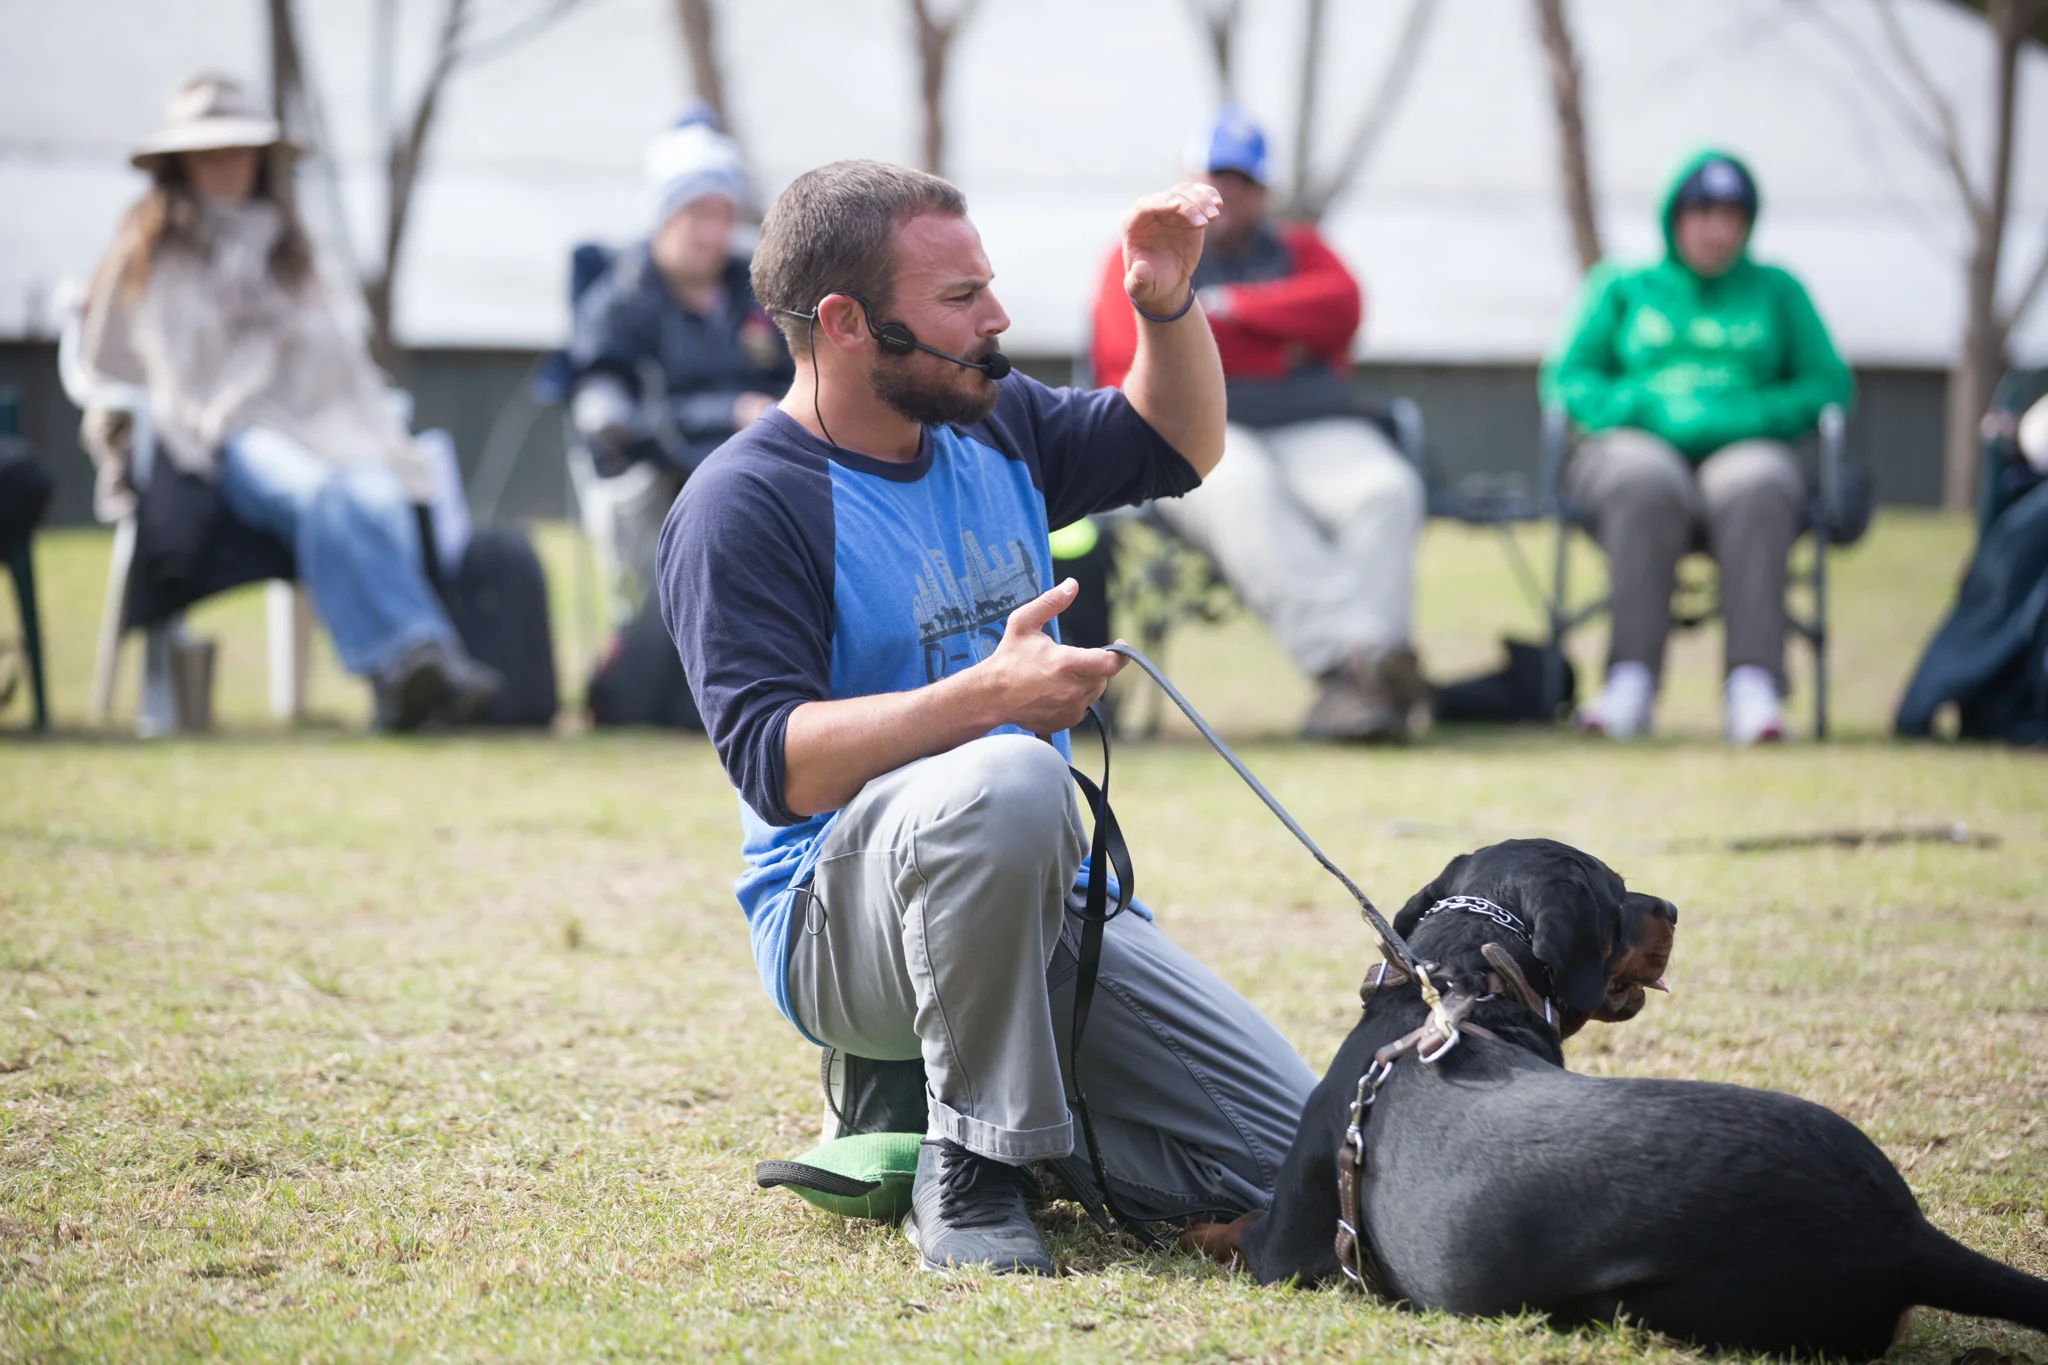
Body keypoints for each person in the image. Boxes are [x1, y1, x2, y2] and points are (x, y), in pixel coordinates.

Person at [657, 160, 1317, 1274]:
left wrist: (1163, 301)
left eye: (986, 287)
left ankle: (939, 1094)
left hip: (1045, 899)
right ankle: (967, 1162)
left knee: (1304, 1162)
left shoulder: (992, 420)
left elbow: (1178, 443)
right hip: (839, 922)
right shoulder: (742, 504)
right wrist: (986, 702)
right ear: (846, 323)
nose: (997, 317)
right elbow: (780, 768)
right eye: (960, 299)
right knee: (1010, 773)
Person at [78, 75, 498, 731]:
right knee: (323, 494)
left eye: (240, 150)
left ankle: (405, 676)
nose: (227, 166)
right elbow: (112, 362)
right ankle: (416, 657)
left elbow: (337, 359)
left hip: (331, 425)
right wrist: (141, 423)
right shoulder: (150, 252)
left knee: (379, 496)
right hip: (231, 432)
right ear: (180, 162)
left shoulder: (298, 252)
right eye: (211, 152)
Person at [1090, 106, 1428, 742]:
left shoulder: (1300, 248)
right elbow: (1125, 353)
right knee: (1242, 489)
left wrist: (1225, 311)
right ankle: (1360, 659)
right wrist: (1282, 345)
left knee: (1385, 489)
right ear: (1184, 177)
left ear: (1264, 191)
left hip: (1310, 426)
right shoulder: (1137, 252)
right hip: (1193, 432)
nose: (1226, 193)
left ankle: (1364, 693)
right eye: (1214, 176)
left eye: (1242, 181)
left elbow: (1343, 308)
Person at [1541, 149, 1854, 744]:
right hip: (1635, 446)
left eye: (1732, 216)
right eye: (1702, 214)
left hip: (1748, 446)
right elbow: (1568, 376)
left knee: (1758, 484)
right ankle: (1629, 680)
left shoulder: (1778, 291)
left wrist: (1750, 412)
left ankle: (1754, 685)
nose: (1716, 230)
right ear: (1674, 219)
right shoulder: (1622, 286)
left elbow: (1827, 382)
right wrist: (1647, 408)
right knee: (1646, 482)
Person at [567, 108, 793, 614]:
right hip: (661, 482)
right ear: (665, 215)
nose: (711, 233)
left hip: (767, 469)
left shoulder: (758, 290)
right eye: (696, 214)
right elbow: (609, 420)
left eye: (722, 215)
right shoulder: (620, 302)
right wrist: (730, 412)